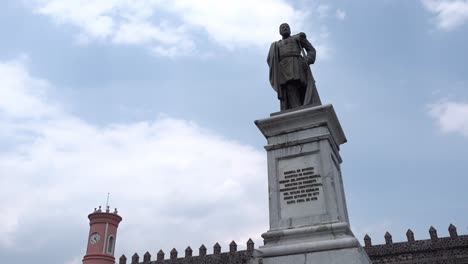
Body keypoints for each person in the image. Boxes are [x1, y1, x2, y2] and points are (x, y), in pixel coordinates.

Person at [267, 23, 321, 110]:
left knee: (301, 87)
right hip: (283, 68)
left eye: (287, 27)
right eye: (282, 27)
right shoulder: (276, 44)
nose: (285, 28)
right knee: (289, 88)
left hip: (297, 64)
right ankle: (296, 109)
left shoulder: (297, 38)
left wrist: (307, 60)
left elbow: (311, 50)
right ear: (279, 32)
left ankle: (302, 108)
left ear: (290, 30)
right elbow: (270, 59)